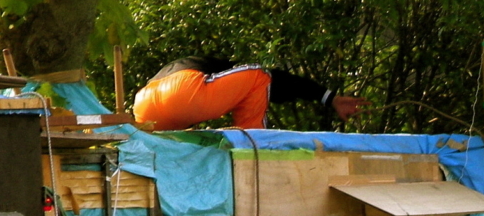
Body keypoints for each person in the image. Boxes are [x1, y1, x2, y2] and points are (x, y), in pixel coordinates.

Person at [133, 55, 369, 131]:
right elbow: (273, 81)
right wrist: (330, 98)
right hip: (181, 91)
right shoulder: (226, 69)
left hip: (143, 106)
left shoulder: (195, 67)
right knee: (260, 75)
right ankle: (254, 144)